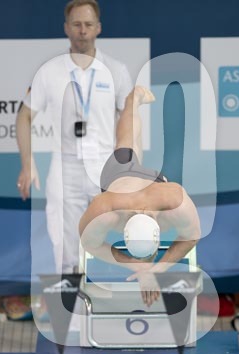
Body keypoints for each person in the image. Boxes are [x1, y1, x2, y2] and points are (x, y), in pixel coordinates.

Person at [16, 0, 132, 273]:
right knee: (65, 244)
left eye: (88, 24)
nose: (83, 30)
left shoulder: (116, 70)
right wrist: (27, 163)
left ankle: (111, 288)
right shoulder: (50, 71)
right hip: (65, 163)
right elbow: (24, 116)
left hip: (105, 164)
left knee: (113, 233)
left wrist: (127, 162)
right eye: (77, 24)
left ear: (98, 28)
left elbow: (129, 119)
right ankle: (70, 291)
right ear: (66, 28)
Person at [79, 87, 201, 305]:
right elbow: (88, 244)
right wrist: (139, 267)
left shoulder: (174, 201)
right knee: (130, 144)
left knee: (129, 143)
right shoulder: (105, 210)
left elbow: (192, 235)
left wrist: (157, 269)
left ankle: (133, 101)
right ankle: (132, 101)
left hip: (142, 180)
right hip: (126, 179)